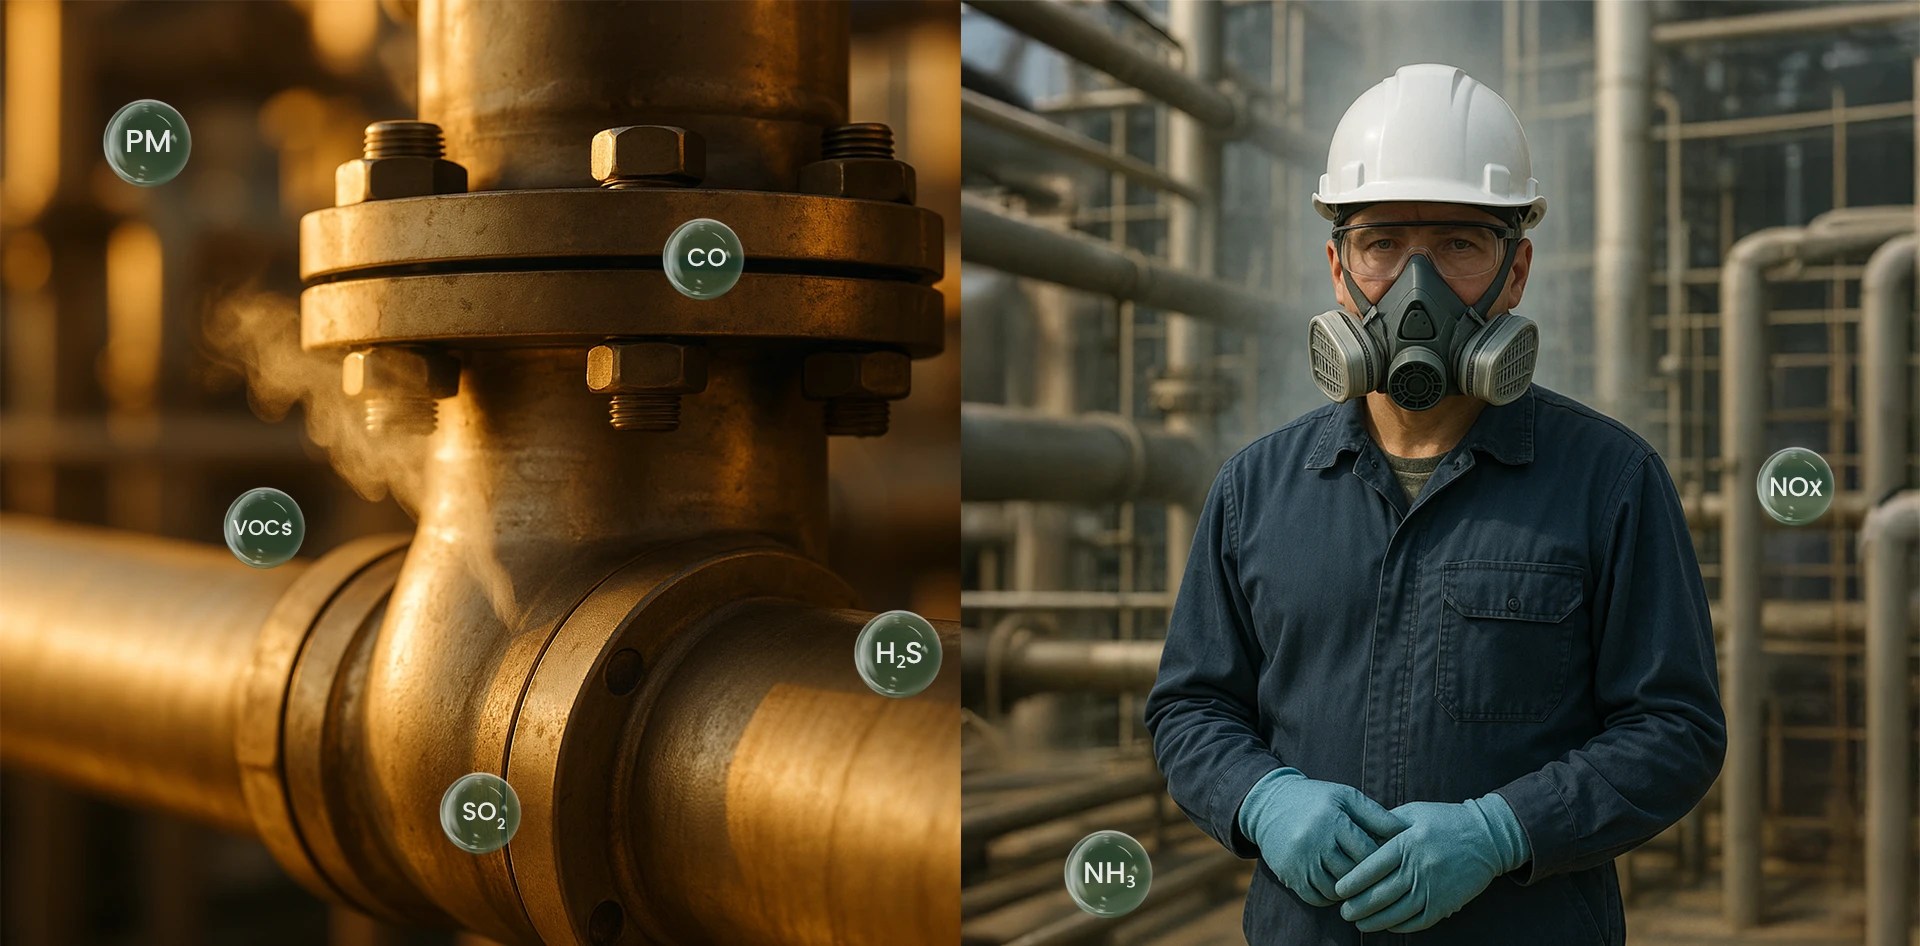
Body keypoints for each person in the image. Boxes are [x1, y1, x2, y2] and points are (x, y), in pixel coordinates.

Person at [1143, 63, 1726, 945]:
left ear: (1516, 269)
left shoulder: (1611, 481)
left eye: (1459, 244)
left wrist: (1505, 831)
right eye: (1381, 244)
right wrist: (1261, 800)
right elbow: (1189, 709)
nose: (1416, 287)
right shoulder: (1255, 490)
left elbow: (1675, 729)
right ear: (1338, 269)